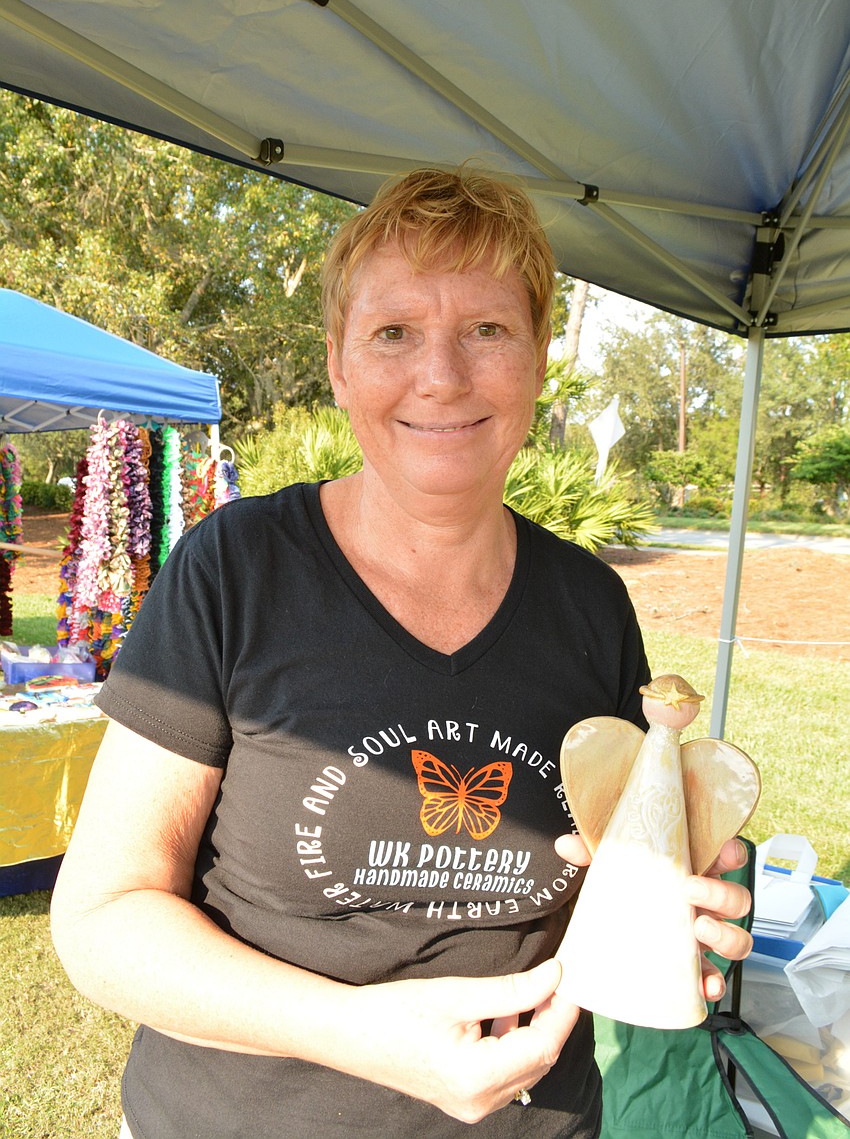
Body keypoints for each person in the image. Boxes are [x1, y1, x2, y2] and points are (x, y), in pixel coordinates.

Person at [50, 167, 752, 1139]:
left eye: (488, 330)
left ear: (539, 359)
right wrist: (352, 1031)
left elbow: (608, 856)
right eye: (393, 333)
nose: (442, 375)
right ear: (338, 363)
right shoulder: (236, 571)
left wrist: (680, 878)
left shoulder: (589, 604)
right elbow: (101, 921)